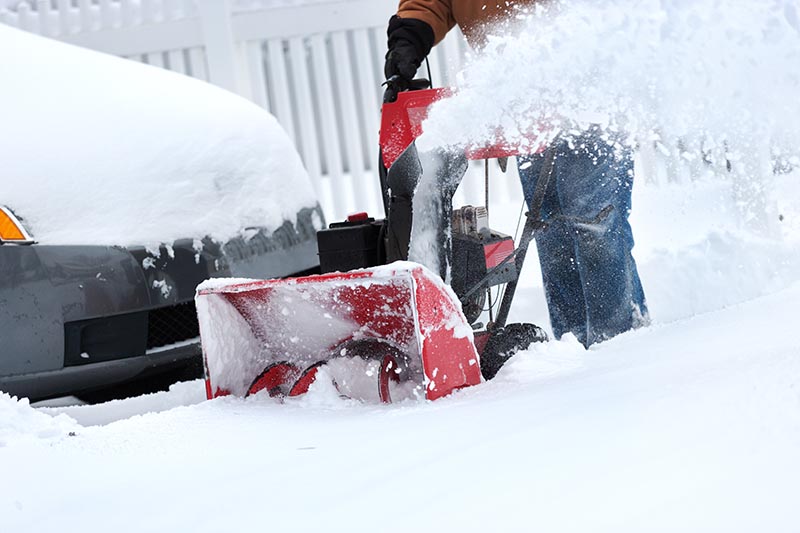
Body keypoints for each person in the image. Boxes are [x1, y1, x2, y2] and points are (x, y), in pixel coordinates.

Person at [384, 0, 649, 348]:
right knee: (550, 228)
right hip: (527, 107)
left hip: (591, 90)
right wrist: (409, 38)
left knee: (592, 221)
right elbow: (428, 4)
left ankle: (622, 344)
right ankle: (576, 347)